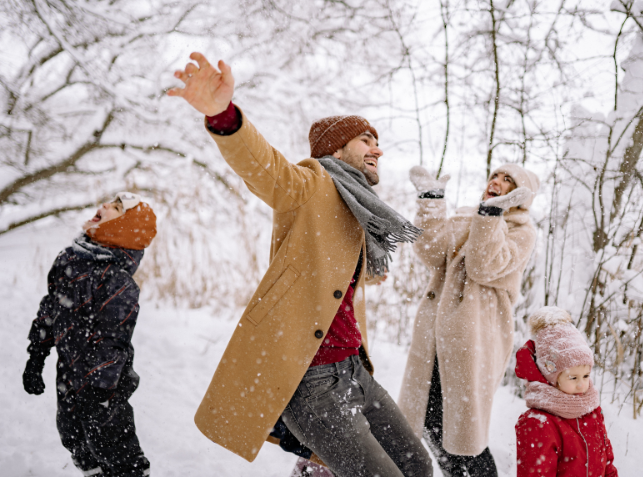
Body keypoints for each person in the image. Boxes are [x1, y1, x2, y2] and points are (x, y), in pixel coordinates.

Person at [167, 52, 432, 477]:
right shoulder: (311, 185)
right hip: (313, 381)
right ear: (336, 148)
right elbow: (265, 168)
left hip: (353, 370)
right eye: (365, 140)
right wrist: (224, 116)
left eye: (376, 140)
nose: (377, 148)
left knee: (417, 465)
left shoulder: (359, 207)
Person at [398, 164, 540, 476]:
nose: (497, 182)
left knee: (462, 434)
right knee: (429, 421)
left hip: (473, 340)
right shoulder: (466, 215)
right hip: (435, 337)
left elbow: (481, 267)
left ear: (521, 197)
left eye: (508, 181)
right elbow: (431, 251)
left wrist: (490, 218)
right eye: (495, 176)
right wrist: (431, 201)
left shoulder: (521, 231)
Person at [22, 192, 157, 477]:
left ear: (123, 229)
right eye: (110, 201)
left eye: (117, 208)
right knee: (73, 435)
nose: (105, 205)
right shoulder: (70, 260)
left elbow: (112, 341)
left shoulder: (117, 281)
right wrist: (37, 354)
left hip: (105, 384)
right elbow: (51, 307)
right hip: (69, 372)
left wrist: (99, 391)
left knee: (113, 443)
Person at [514, 306, 619, 476]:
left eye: (585, 376)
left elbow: (607, 463)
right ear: (552, 378)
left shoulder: (591, 411)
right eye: (573, 378)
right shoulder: (539, 423)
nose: (581, 385)